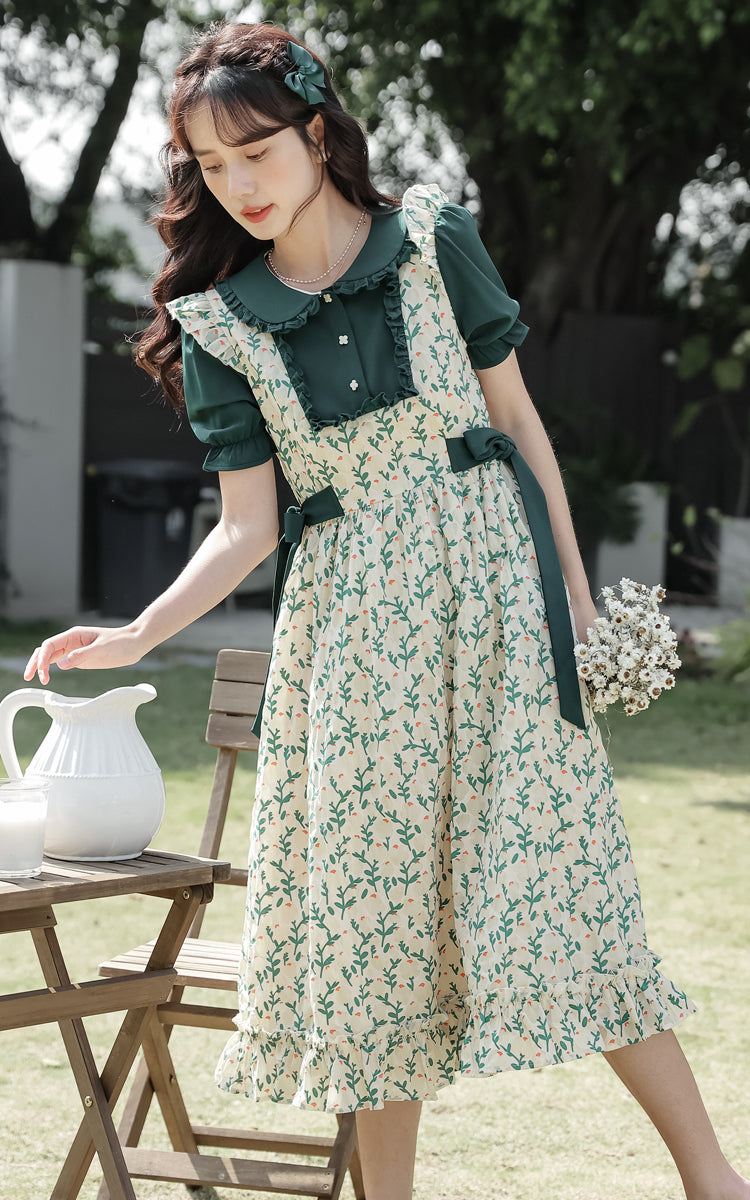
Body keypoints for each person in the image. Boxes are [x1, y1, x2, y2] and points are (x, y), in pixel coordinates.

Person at [24, 22, 748, 1200]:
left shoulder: (433, 243)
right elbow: (248, 526)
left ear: (317, 136)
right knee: (372, 933)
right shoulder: (222, 325)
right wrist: (140, 631)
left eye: (257, 151)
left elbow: (519, 426)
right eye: (212, 167)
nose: (240, 184)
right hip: (353, 642)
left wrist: (567, 594)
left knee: (567, 887)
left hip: (495, 613)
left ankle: (714, 1179)